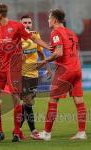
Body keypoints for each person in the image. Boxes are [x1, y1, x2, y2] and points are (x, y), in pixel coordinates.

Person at [0, 3, 51, 143]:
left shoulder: (17, 26)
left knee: (15, 100)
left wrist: (47, 46)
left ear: (0, 14)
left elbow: (33, 38)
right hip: (0, 69)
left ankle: (17, 132)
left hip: (13, 69)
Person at [36, 9, 87, 141]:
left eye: (49, 18)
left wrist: (44, 61)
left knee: (53, 100)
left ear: (54, 20)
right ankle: (81, 132)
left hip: (65, 70)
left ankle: (46, 133)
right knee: (79, 101)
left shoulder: (56, 32)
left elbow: (58, 53)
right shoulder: (72, 33)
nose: (48, 21)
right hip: (77, 69)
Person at [19, 15, 52, 140]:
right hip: (21, 74)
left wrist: (47, 68)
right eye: (25, 22)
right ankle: (33, 131)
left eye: (29, 22)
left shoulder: (35, 36)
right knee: (28, 102)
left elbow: (40, 52)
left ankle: (17, 129)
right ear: (20, 23)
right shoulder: (18, 37)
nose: (27, 24)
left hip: (34, 74)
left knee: (27, 104)